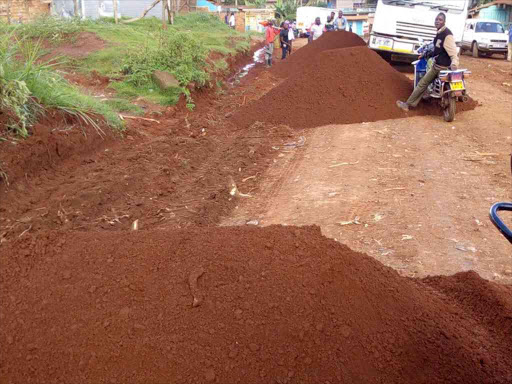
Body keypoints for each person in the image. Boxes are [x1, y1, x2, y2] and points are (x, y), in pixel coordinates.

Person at [396, 12, 459, 111]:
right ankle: (427, 95)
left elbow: (453, 52)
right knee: (426, 81)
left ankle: (408, 105)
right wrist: (424, 55)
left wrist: (454, 63)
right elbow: (435, 50)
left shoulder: (447, 35)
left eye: (440, 20)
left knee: (422, 83)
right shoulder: (439, 33)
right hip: (440, 65)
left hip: (440, 67)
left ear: (444, 22)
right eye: (436, 19)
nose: (438, 21)